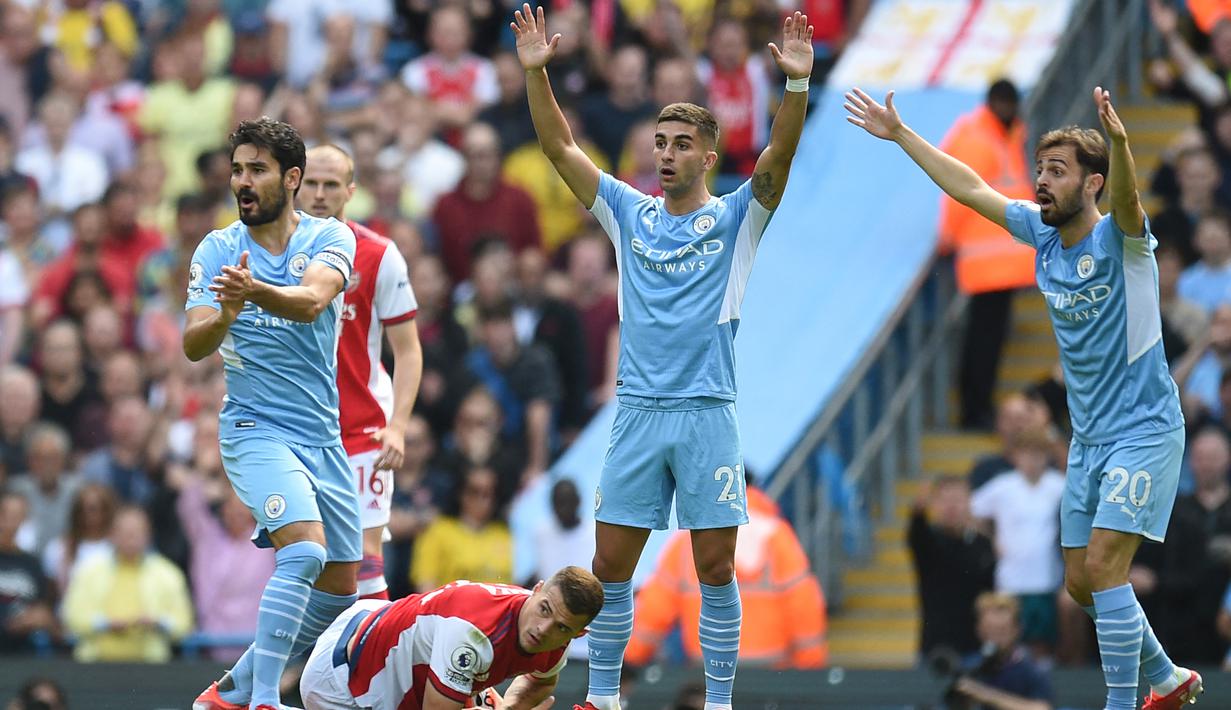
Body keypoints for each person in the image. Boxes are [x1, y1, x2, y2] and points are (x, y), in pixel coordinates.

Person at [844, 85, 1200, 708]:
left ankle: (1126, 703)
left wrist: (1118, 144)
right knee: (1082, 584)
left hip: (1144, 430)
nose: (1041, 181)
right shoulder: (1040, 233)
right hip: (1087, 440)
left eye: (1057, 171)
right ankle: (1166, 676)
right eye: (1039, 169)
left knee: (1106, 566)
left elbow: (1129, 199)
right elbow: (972, 188)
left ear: (1092, 183)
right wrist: (901, 135)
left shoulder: (1122, 239)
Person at [513, 5, 815, 709]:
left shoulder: (738, 217)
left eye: (682, 142)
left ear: (708, 157)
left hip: (708, 411)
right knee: (608, 569)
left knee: (714, 567)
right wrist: (537, 73)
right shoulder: (626, 212)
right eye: (660, 141)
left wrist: (796, 88)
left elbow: (778, 160)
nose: (667, 152)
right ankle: (607, 698)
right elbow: (559, 148)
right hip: (639, 412)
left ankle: (716, 701)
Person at [184, 117, 359, 710]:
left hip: (322, 435)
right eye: (237, 170)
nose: (242, 181)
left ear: (291, 179)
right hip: (253, 428)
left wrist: (251, 292)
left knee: (338, 590)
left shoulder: (329, 236)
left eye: (256, 170)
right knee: (305, 552)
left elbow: (311, 302)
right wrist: (227, 312)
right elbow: (193, 344)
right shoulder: (216, 249)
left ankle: (227, 693)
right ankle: (262, 701)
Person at [297, 144, 424, 602]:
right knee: (305, 562)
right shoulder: (270, 254)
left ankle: (375, 667)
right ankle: (316, 669)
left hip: (362, 430)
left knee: (365, 562)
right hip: (296, 431)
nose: (319, 193)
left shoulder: (378, 255)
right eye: (310, 182)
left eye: (331, 184)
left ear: (351, 191)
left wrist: (398, 428)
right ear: (293, 183)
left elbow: (408, 352)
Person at [298, 567, 604, 710]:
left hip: (383, 620)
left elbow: (542, 681)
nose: (543, 629)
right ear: (536, 589)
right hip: (340, 681)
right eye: (544, 609)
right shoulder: (474, 632)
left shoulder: (556, 637)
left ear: (578, 634)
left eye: (562, 628)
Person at [907, 477, 997, 659]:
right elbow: (917, 536)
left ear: (969, 503)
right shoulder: (930, 542)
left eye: (957, 500)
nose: (951, 507)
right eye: (944, 500)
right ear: (934, 504)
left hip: (976, 648)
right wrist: (917, 514)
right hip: (936, 648)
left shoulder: (982, 544)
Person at [949, 593, 1054, 710]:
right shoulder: (970, 665)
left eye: (1002, 631)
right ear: (979, 630)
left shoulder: (1031, 668)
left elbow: (1042, 708)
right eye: (990, 630)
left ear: (1017, 630)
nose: (996, 638)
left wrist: (985, 695)